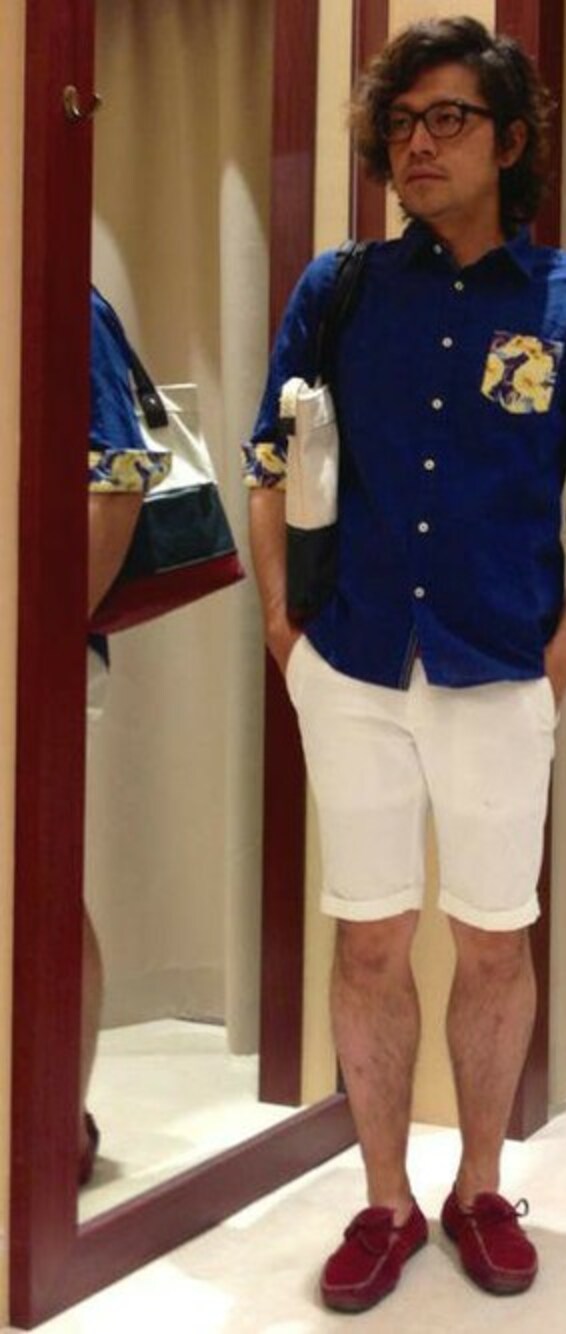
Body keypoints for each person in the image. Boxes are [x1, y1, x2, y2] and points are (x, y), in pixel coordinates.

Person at [244, 15, 566, 1312]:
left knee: (494, 938)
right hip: (354, 661)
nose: (416, 145)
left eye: (448, 119)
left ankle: (480, 1185)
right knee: (368, 936)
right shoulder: (340, 289)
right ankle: (385, 1199)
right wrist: (284, 629)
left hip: (499, 665)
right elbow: (270, 461)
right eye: (400, 124)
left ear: (511, 140)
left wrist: (563, 652)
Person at [83, 287, 172, 1183]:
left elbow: (118, 475)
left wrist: (38, 640)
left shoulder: (59, 296)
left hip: (33, 644)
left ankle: (53, 1131)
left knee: (34, 887)